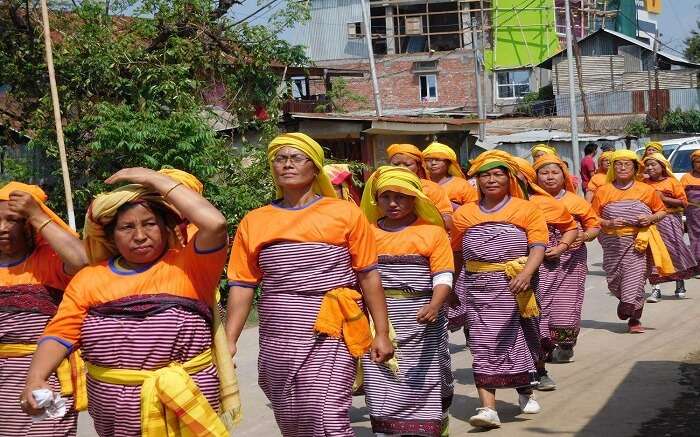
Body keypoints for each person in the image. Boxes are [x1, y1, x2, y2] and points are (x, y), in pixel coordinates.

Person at [22, 168, 230, 436]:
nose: (140, 235)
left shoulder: (190, 267)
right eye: (127, 227)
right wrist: (35, 377)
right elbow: (60, 333)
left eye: (150, 224)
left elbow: (215, 224)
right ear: (110, 237)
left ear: (166, 228)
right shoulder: (89, 280)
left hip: (186, 404)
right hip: (116, 415)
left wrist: (152, 179)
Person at [225, 133, 393, 437]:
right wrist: (230, 339)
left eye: (296, 157)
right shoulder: (255, 221)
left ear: (314, 168)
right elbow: (242, 283)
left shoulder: (344, 213)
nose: (287, 164)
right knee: (291, 414)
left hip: (331, 325)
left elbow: (368, 275)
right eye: (280, 158)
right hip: (279, 327)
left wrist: (381, 332)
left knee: (326, 414)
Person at [452, 150, 547, 429]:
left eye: (497, 174)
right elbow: (457, 253)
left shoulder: (526, 209)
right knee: (482, 343)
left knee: (521, 338)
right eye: (485, 175)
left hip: (517, 286)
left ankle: (524, 389)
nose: (491, 180)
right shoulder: (464, 215)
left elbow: (538, 246)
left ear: (509, 178)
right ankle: (488, 408)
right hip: (477, 289)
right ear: (477, 181)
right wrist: (450, 286)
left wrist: (527, 274)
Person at [359, 165, 454, 436]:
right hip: (377, 317)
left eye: (400, 196)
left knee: (425, 377)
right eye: (385, 196)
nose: (392, 203)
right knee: (379, 376)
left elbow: (443, 274)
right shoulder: (366, 234)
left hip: (423, 317)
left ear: (414, 198)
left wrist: (435, 305)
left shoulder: (432, 233)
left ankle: (427, 427)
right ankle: (385, 429)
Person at [0, 182, 88, 437]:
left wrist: (37, 214)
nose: (2, 228)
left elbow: (83, 262)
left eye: (13, 220)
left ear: (30, 225)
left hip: (42, 375)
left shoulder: (49, 260)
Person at [513, 156, 577, 390]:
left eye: (508, 174)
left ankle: (539, 371)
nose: (497, 180)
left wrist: (560, 247)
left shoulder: (545, 202)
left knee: (533, 320)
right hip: (491, 279)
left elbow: (570, 228)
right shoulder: (480, 206)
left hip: (536, 273)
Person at [591, 150, 670, 333]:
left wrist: (650, 219)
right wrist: (608, 222)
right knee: (615, 279)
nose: (623, 167)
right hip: (612, 242)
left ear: (635, 168)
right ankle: (628, 303)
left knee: (635, 276)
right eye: (618, 164)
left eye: (628, 164)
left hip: (638, 241)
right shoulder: (603, 191)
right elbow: (593, 217)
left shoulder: (646, 190)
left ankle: (632, 315)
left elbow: (661, 211)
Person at [534, 155, 600, 363]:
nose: (550, 177)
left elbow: (594, 226)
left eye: (555, 172)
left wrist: (584, 235)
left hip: (572, 260)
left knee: (567, 302)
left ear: (564, 177)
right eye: (544, 173)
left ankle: (565, 343)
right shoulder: (529, 201)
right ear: (535, 177)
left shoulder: (575, 202)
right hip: (539, 260)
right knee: (540, 303)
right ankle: (543, 348)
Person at [643, 153, 697, 301]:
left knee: (675, 252)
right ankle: (656, 289)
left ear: (663, 166)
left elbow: (683, 203)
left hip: (670, 220)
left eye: (653, 164)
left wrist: (664, 198)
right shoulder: (643, 183)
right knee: (654, 255)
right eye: (647, 165)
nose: (650, 167)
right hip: (650, 223)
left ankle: (680, 282)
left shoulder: (672, 182)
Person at [387, 143, 454, 231]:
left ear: (418, 166)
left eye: (407, 165)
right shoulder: (382, 187)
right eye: (396, 164)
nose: (402, 168)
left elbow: (447, 221)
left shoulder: (432, 188)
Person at [422, 141, 478, 210]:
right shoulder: (421, 183)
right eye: (428, 160)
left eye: (438, 160)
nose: (433, 163)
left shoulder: (462, 185)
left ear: (448, 162)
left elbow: (474, 210)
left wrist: (450, 205)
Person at [681, 150, 700, 265]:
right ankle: (697, 262)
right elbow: (681, 197)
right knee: (696, 238)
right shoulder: (686, 178)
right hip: (693, 215)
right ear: (693, 163)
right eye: (698, 161)